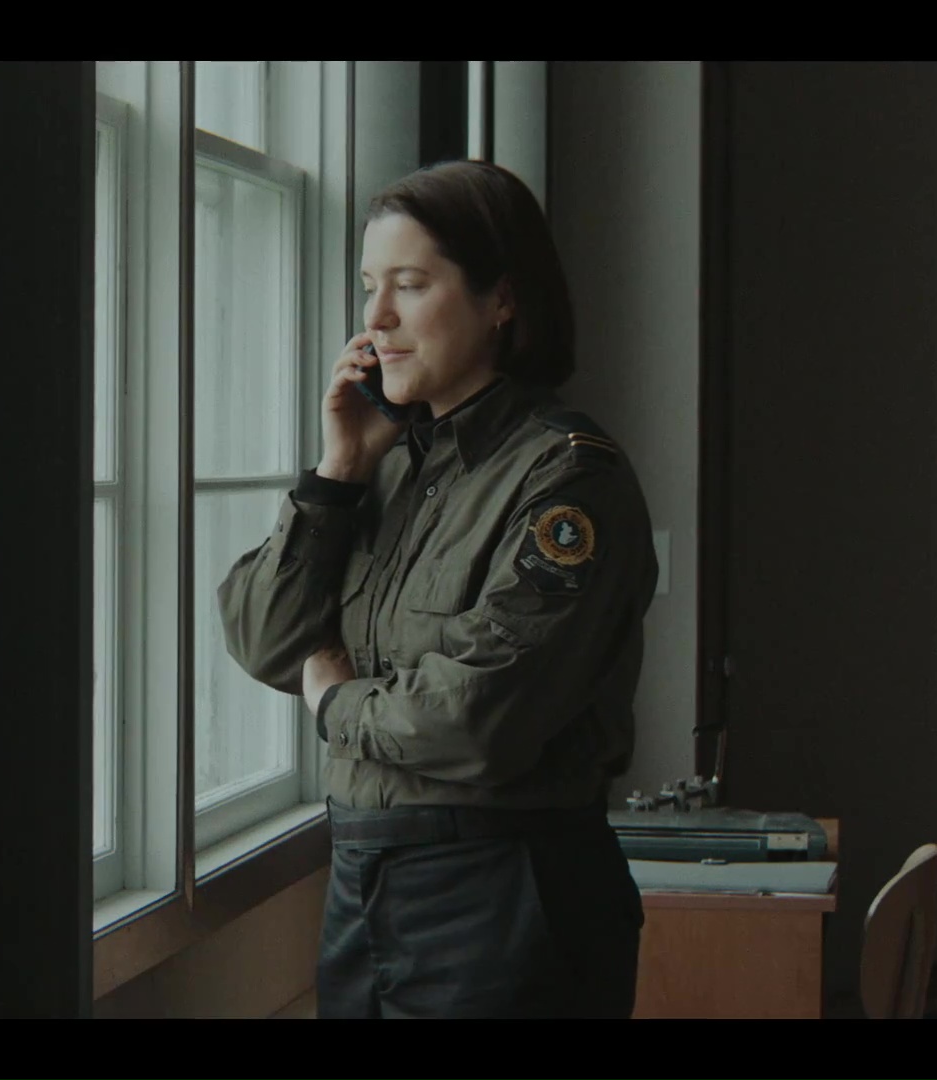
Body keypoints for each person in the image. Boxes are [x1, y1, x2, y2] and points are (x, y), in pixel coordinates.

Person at [216, 159, 658, 1019]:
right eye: (369, 286)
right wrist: (338, 472)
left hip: (506, 892)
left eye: (410, 285)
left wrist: (335, 702)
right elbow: (265, 639)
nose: (376, 317)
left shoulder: (567, 480)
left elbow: (479, 720)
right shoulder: (381, 465)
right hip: (362, 881)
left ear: (503, 300)